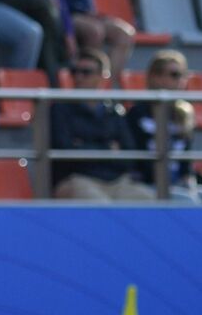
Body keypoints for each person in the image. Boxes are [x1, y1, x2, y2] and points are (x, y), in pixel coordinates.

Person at [126, 49, 202, 204]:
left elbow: (185, 163)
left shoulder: (184, 114)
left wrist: (189, 183)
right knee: (186, 201)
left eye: (178, 75)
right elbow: (136, 160)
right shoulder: (136, 114)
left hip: (178, 184)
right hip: (147, 184)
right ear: (153, 76)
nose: (172, 80)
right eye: (163, 73)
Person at [50, 47, 153, 200]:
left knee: (148, 199)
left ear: (102, 76)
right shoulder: (60, 110)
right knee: (100, 207)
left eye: (86, 72)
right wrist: (108, 148)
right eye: (74, 72)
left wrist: (83, 146)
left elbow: (129, 156)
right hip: (78, 179)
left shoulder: (115, 111)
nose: (78, 77)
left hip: (117, 181)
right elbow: (66, 153)